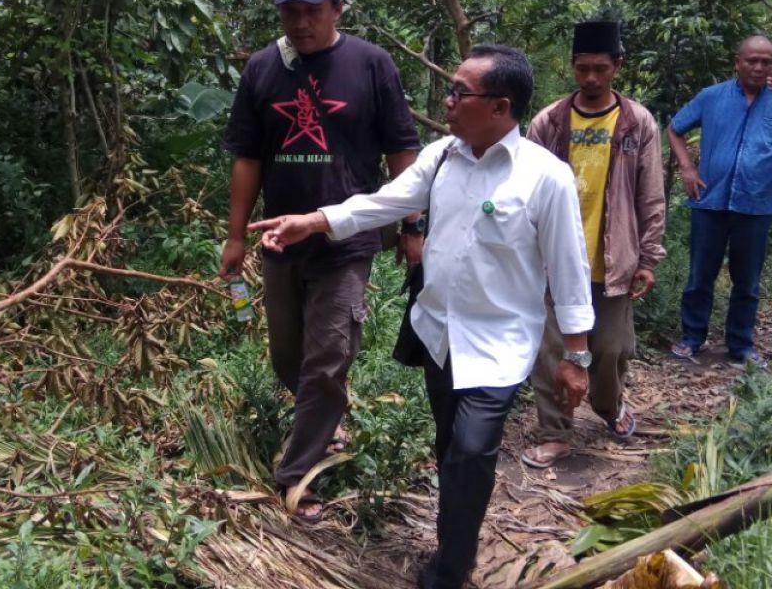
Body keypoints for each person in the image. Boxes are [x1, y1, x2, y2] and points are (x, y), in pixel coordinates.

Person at [249, 44, 595, 589]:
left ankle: (451, 569)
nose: (449, 102)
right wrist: (311, 221)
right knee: (447, 446)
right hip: (439, 334)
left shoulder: (544, 178)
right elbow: (383, 202)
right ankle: (451, 539)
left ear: (500, 107)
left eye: (461, 92)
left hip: (500, 345)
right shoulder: (442, 156)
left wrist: (576, 356)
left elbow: (570, 270)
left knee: (473, 451)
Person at [219, 0, 423, 523]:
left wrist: (412, 225)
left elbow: (401, 149)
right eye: (290, 12)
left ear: (336, 7)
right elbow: (246, 157)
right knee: (290, 355)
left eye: (312, 9)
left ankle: (297, 475)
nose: (301, 23)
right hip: (280, 239)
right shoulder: (263, 68)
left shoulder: (371, 63)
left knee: (328, 356)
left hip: (347, 242)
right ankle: (326, 418)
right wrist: (235, 236)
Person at [520, 21, 666, 470]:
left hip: (613, 259)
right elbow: (523, 188)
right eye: (582, 68)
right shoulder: (548, 121)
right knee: (549, 353)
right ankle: (555, 433)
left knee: (611, 349)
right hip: (552, 260)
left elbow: (650, 193)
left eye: (600, 69)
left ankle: (609, 404)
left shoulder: (636, 122)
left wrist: (648, 256)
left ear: (617, 66)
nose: (590, 78)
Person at [668, 35, 772, 366]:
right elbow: (675, 128)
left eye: (765, 62)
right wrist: (686, 167)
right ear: (737, 61)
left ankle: (740, 344)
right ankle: (692, 337)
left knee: (747, 281)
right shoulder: (712, 97)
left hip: (757, 204)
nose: (758, 67)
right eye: (751, 60)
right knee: (700, 275)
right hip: (709, 201)